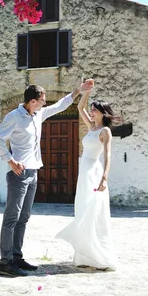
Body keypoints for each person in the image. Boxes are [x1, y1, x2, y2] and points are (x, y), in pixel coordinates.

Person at [0, 80, 94, 277]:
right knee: (12, 218)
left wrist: (78, 91)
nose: (45, 104)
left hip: (33, 172)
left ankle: (17, 257)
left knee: (24, 218)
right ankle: (5, 262)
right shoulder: (14, 117)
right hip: (18, 174)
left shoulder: (38, 114)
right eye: (42, 101)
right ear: (32, 101)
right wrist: (10, 161)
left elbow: (60, 105)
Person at [56, 84, 119, 270]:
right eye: (91, 110)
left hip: (94, 172)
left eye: (94, 110)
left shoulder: (104, 131)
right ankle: (86, 256)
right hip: (83, 173)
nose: (90, 113)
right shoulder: (91, 127)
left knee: (94, 213)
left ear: (102, 112)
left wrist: (105, 178)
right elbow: (79, 108)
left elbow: (108, 155)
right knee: (83, 210)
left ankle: (100, 256)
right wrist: (87, 92)